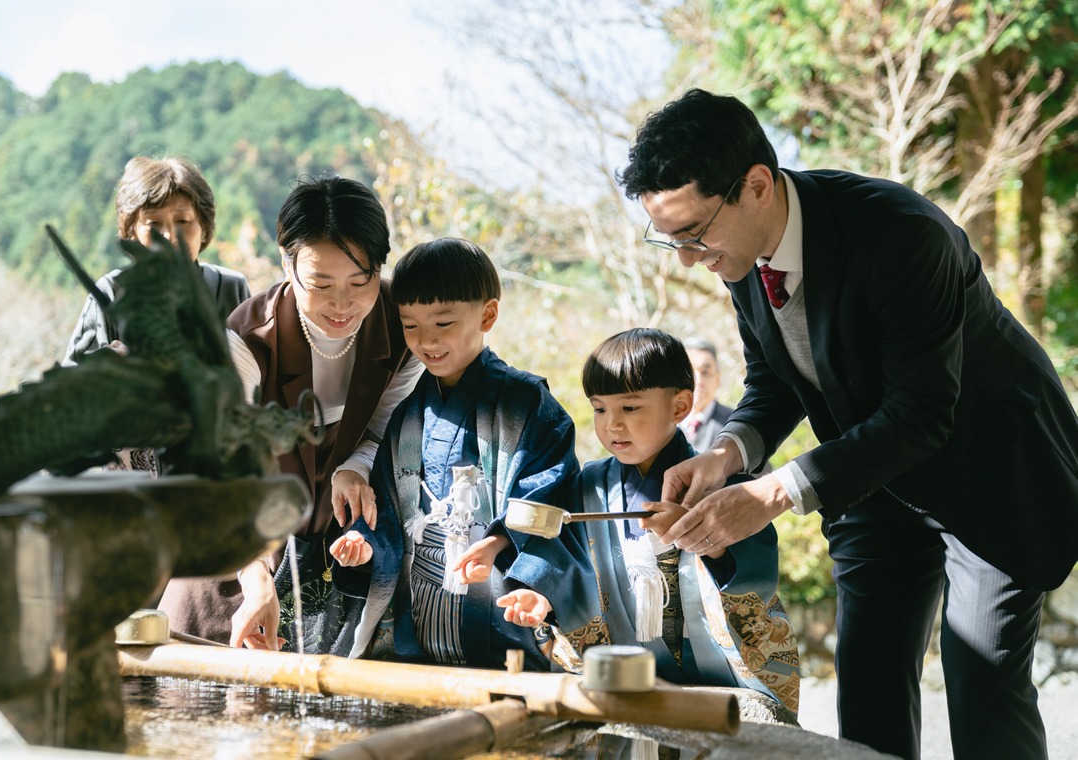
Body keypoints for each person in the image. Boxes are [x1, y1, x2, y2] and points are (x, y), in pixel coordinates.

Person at [619, 88, 1078, 759]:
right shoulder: (739, 254)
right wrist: (726, 453)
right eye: (671, 240)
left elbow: (921, 413)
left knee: (981, 686)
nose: (688, 257)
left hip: (990, 470)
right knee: (867, 686)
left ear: (754, 187)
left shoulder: (900, 232)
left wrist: (771, 494)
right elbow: (776, 380)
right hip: (874, 478)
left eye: (693, 234)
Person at [157, 173, 423, 653]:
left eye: (359, 282)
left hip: (328, 555)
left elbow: (386, 425)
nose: (342, 304)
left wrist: (354, 467)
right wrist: (255, 574)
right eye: (321, 283)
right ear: (287, 262)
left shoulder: (403, 324)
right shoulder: (247, 340)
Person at [496, 328, 799, 715]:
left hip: (720, 673)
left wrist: (703, 533)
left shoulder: (721, 485)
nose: (612, 425)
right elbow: (563, 558)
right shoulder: (586, 487)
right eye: (600, 409)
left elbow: (754, 574)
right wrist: (541, 597)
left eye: (630, 408)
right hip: (626, 664)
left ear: (679, 406)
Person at [329, 237, 580, 670]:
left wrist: (498, 541)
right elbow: (387, 510)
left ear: (487, 314)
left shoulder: (525, 405)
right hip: (423, 612)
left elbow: (550, 495)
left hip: (501, 613)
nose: (426, 341)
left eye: (442, 323)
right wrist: (364, 542)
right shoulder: (408, 414)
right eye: (410, 325)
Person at [62, 155, 251, 471]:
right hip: (130, 479)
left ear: (203, 227)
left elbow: (254, 382)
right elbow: (70, 387)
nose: (170, 236)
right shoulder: (110, 292)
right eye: (154, 224)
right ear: (131, 230)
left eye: (183, 221)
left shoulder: (230, 289)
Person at [679, 337, 731, 451]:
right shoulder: (662, 423)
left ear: (718, 378)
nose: (698, 380)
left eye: (705, 372)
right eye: (689, 371)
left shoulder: (735, 424)